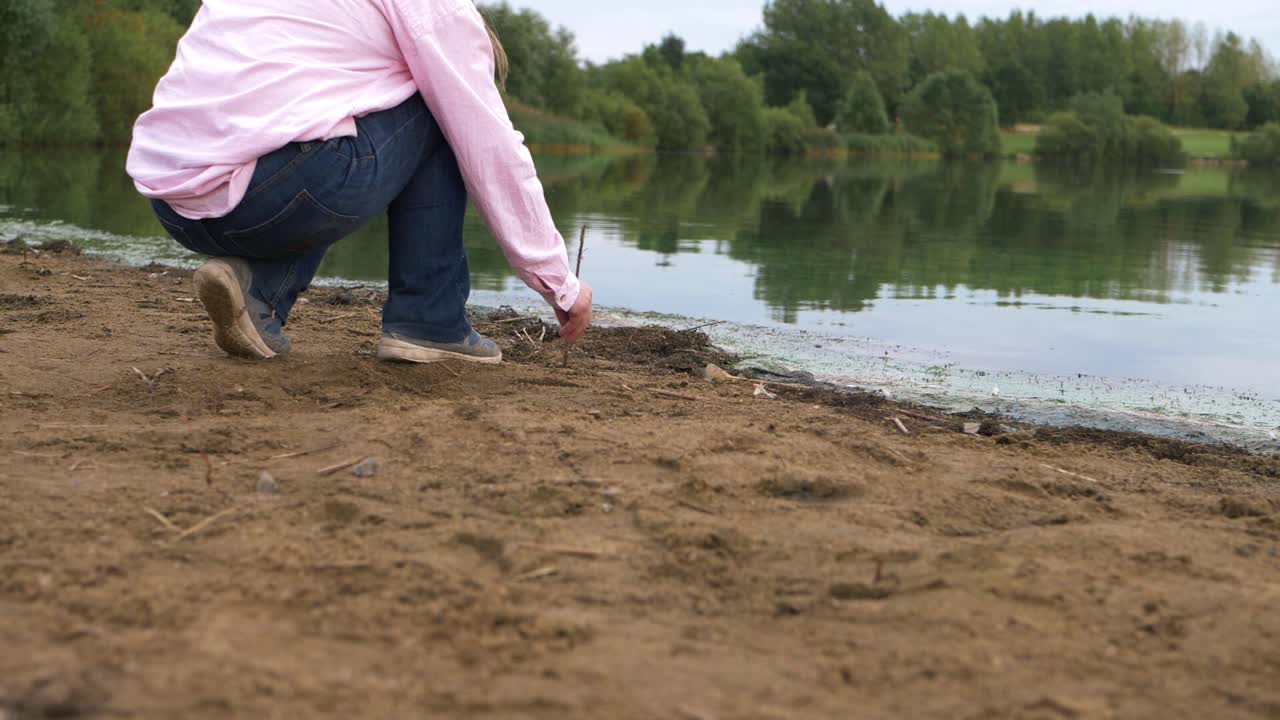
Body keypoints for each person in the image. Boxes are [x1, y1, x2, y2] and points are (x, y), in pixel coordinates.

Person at [127, 0, 593, 364]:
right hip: (275, 193)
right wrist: (559, 282)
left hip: (173, 199)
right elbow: (489, 145)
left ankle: (258, 293)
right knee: (446, 110)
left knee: (326, 111)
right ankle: (429, 323)